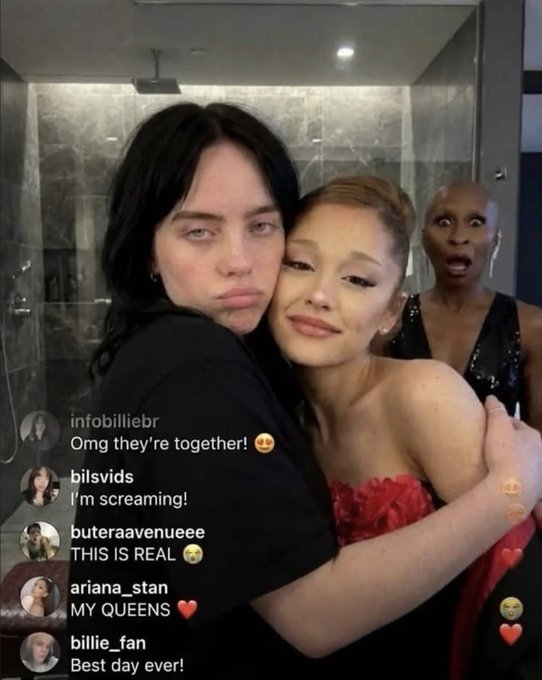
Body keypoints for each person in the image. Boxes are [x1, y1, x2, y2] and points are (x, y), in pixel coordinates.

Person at [68, 102, 542, 679]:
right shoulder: (196, 363)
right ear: (148, 247)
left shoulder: (410, 394)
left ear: (392, 309)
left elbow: (516, 585)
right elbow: (312, 614)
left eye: (262, 227)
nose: (239, 262)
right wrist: (511, 490)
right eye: (199, 231)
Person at [268, 174, 542, 679]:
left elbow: (516, 577)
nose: (320, 295)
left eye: (358, 279)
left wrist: (518, 483)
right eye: (300, 264)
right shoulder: (275, 416)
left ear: (391, 312)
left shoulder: (423, 394)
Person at [383, 180, 542, 433]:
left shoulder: (530, 326)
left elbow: (537, 441)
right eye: (444, 222)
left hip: (500, 459)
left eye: (476, 222)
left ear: (496, 239)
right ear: (424, 240)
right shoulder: (391, 320)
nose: (458, 237)